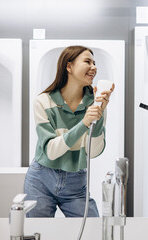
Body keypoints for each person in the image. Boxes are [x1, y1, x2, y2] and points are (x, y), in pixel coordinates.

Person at [24, 45, 114, 217]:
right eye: (87, 61)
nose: (94, 67)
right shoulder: (43, 102)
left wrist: (99, 115)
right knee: (38, 233)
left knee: (92, 231)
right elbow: (51, 151)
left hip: (76, 181)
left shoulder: (95, 104)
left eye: (95, 63)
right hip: (41, 179)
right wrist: (84, 123)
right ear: (69, 66)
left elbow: (93, 152)